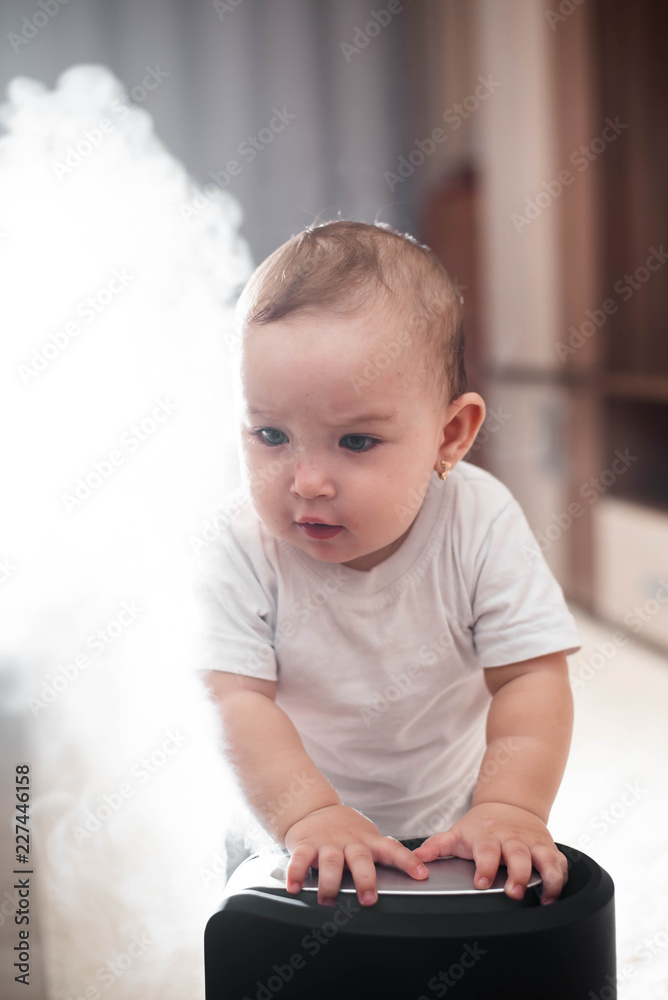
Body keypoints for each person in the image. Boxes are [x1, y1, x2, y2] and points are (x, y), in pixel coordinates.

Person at [196, 220, 581, 912]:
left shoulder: (480, 520)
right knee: (273, 951)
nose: (307, 480)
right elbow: (236, 699)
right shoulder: (239, 542)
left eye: (356, 440)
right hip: (282, 827)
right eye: (271, 435)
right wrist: (310, 816)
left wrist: (511, 806)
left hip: (451, 819)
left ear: (450, 435)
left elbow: (530, 674)